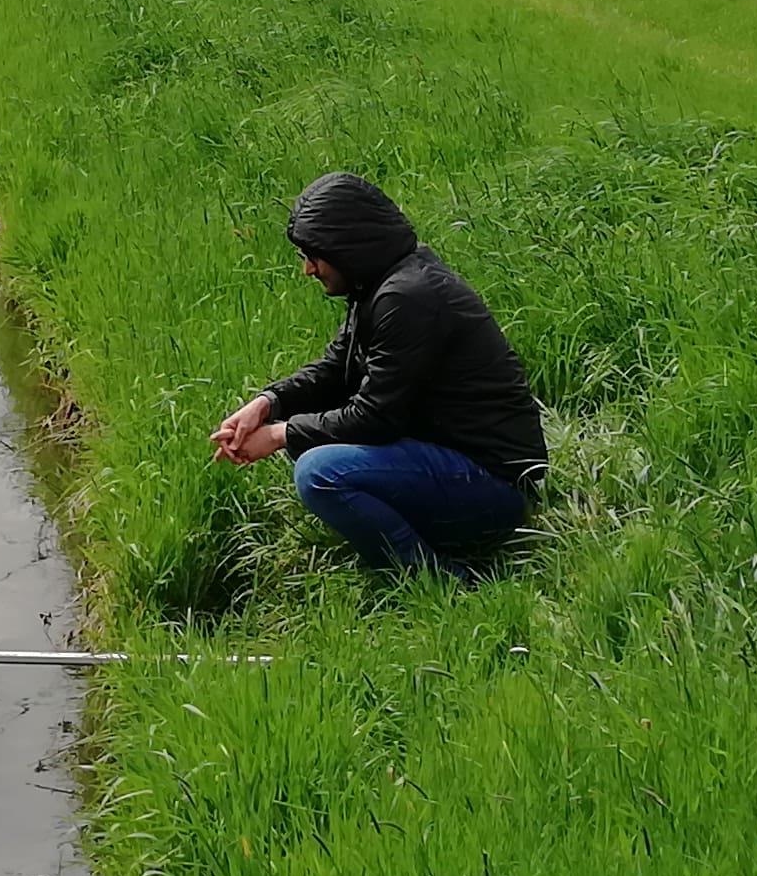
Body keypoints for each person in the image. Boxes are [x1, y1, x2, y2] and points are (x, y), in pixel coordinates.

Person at [209, 172, 546, 575]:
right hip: (452, 460)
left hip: (494, 484)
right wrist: (267, 404)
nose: (309, 270)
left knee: (320, 473)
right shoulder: (381, 285)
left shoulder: (408, 298)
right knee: (315, 444)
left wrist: (281, 434)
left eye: (313, 256)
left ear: (346, 247)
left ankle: (438, 580)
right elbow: (334, 369)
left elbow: (376, 418)